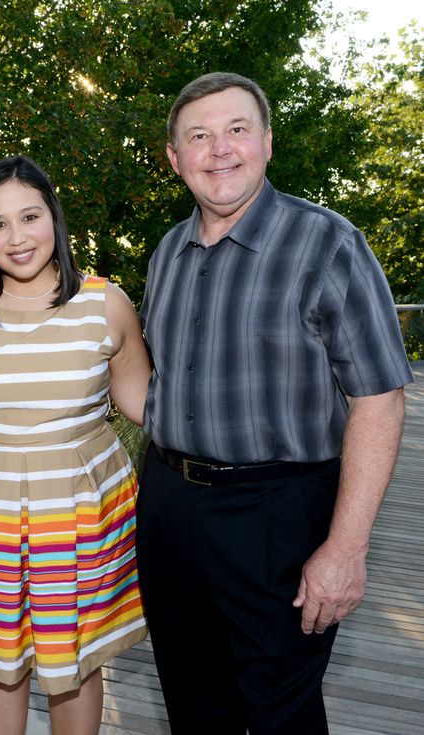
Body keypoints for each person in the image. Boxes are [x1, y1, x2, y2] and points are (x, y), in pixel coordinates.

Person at [138, 71, 413, 734]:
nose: (219, 149)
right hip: (171, 508)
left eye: (236, 130)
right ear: (176, 159)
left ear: (266, 141)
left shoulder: (328, 244)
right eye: (198, 137)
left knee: (279, 710)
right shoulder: (167, 253)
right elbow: (158, 382)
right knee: (191, 700)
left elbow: (379, 397)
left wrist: (346, 546)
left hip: (279, 516)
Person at [0, 155, 149, 735]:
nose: (16, 238)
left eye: (30, 217)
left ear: (55, 218)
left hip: (82, 515)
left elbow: (151, 408)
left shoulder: (105, 304)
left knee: (75, 663)